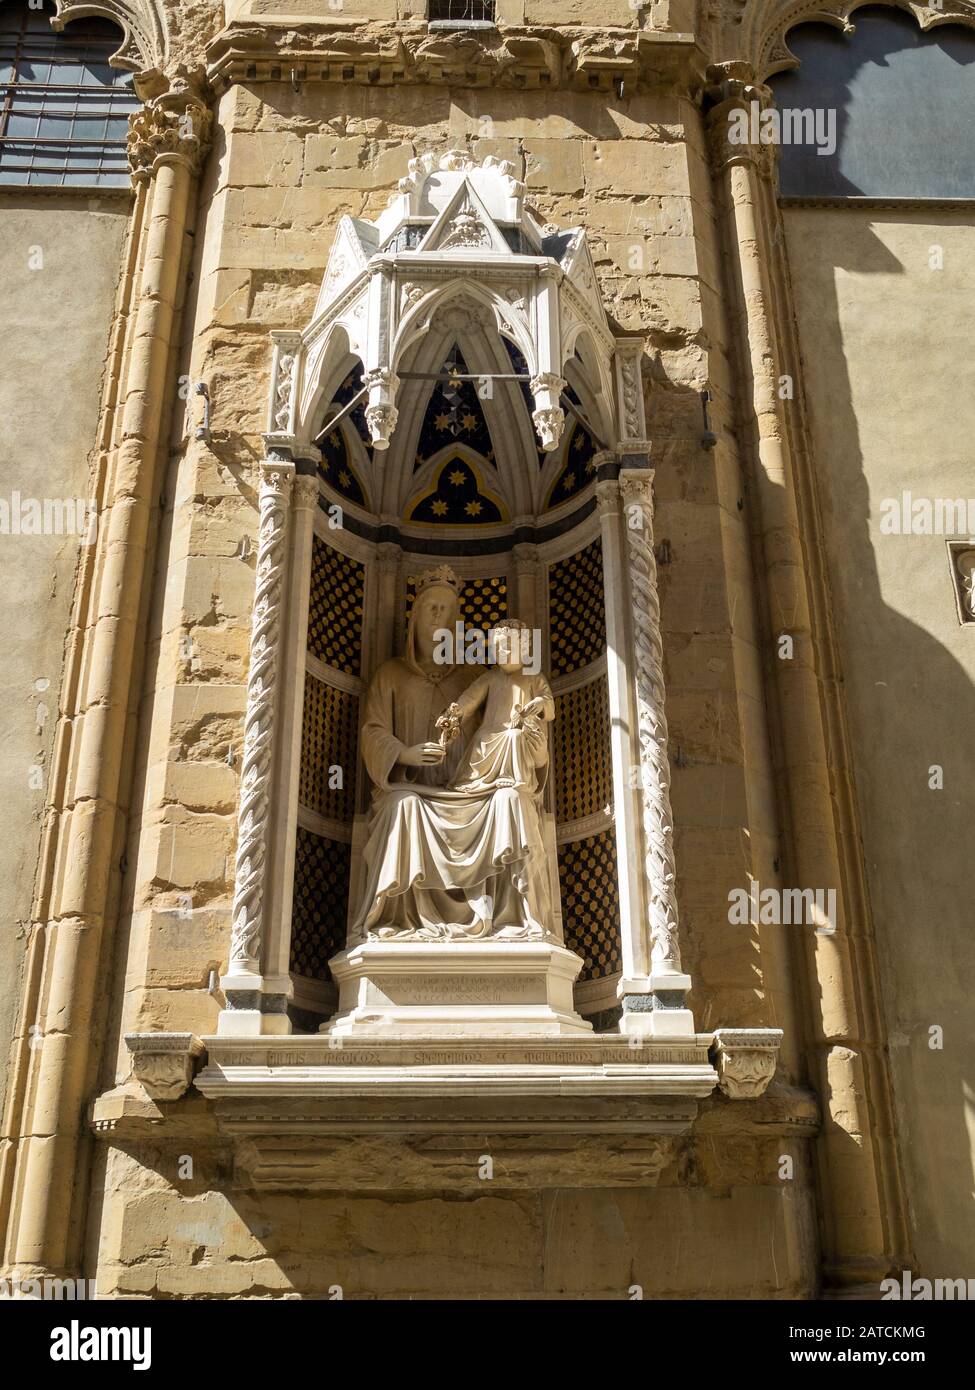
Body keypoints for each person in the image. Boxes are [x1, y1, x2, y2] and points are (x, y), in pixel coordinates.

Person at [352, 580, 556, 941]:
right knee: (403, 806)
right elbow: (373, 730)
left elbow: (530, 733)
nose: (437, 615)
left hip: (476, 790)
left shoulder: (473, 675)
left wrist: (526, 737)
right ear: (413, 617)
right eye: (431, 606)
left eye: (446, 609)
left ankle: (514, 921)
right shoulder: (391, 675)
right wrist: (404, 753)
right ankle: (396, 921)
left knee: (510, 800)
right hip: (414, 788)